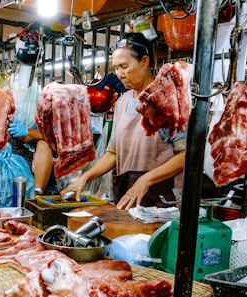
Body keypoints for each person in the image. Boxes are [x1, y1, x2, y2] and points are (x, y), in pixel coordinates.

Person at [61, 32, 186, 210]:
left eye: (124, 66)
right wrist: (85, 177)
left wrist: (146, 180)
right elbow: (114, 152)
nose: (120, 74)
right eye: (116, 68)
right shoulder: (123, 101)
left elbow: (185, 156)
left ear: (144, 61)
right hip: (128, 193)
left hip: (162, 199)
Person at [9, 120, 55, 195]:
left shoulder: (67, 116)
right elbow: (27, 138)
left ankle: (38, 191)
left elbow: (57, 138)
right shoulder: (45, 117)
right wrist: (15, 129)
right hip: (40, 161)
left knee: (43, 144)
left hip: (59, 163)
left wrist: (28, 131)